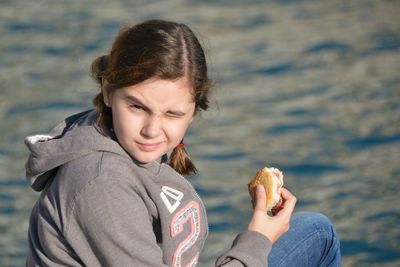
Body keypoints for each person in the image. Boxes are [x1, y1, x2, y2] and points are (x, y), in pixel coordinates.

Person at [24, 19, 341, 266]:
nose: (152, 130)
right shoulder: (100, 183)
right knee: (318, 233)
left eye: (173, 114)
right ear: (108, 91)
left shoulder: (123, 146)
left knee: (315, 230)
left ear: (194, 111)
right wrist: (257, 238)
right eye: (137, 107)